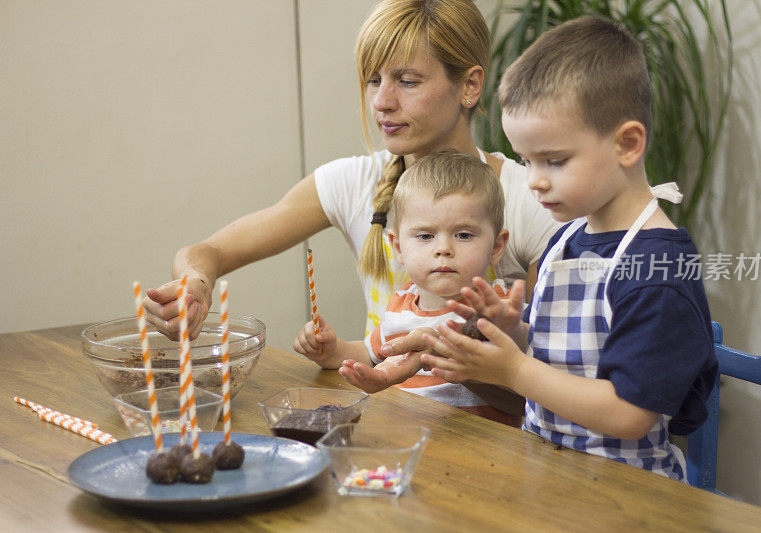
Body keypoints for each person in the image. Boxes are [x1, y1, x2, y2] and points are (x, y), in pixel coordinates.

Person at [142, 0, 559, 345]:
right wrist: (194, 285)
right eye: (372, 80)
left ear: (469, 86)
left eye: (407, 81)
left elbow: (552, 372)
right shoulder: (352, 182)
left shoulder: (530, 200)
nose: (381, 102)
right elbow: (206, 253)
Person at [417, 16, 718, 481]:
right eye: (525, 160)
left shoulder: (656, 267)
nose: (534, 180)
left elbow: (628, 414)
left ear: (627, 144)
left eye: (554, 160)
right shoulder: (566, 241)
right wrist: (512, 332)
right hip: (549, 476)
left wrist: (513, 371)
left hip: (629, 493)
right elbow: (558, 359)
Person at [293, 150, 522, 426]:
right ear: (398, 247)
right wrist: (331, 351)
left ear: (497, 246)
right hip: (404, 439)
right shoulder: (400, 302)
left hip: (480, 452)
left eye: (463, 235)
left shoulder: (500, 310)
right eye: (425, 236)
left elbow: (524, 392)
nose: (443, 249)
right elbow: (372, 354)